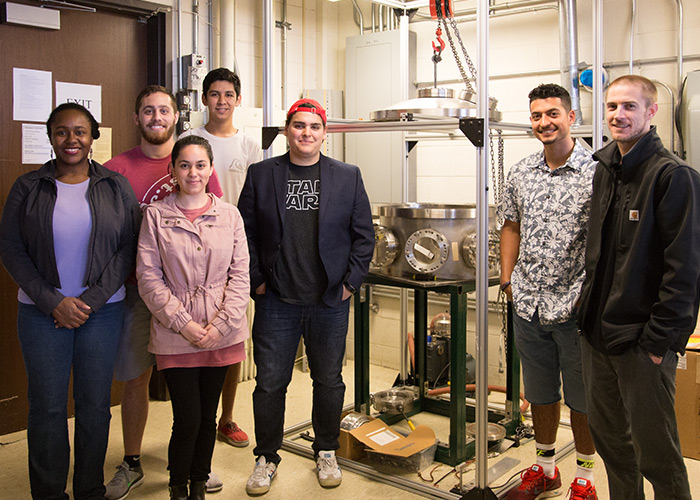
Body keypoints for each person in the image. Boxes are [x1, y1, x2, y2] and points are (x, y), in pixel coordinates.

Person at [0, 103, 140, 499]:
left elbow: (129, 247)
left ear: (93, 137)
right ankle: (48, 492)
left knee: (95, 406)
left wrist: (90, 301)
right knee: (46, 408)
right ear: (50, 137)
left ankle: (89, 489)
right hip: (41, 314)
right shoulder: (27, 187)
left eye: (80, 131)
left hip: (102, 312)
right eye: (62, 131)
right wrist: (53, 302)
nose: (71, 139)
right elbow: (10, 248)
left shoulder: (116, 186)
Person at [237, 98, 374, 495]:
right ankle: (266, 457)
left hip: (330, 299)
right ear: (287, 130)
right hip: (276, 298)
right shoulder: (262, 174)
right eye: (298, 126)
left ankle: (326, 449)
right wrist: (256, 280)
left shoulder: (347, 176)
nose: (306, 133)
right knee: (269, 383)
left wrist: (350, 283)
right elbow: (243, 231)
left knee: (328, 380)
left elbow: (364, 236)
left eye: (314, 127)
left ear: (324, 133)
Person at [577, 74, 700, 500]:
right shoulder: (605, 169)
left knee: (658, 456)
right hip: (596, 335)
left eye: (630, 106)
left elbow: (684, 272)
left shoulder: (674, 176)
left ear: (652, 112)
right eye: (612, 107)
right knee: (614, 447)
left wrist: (658, 342)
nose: (618, 115)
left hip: (641, 344)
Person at [103, 85, 225, 499]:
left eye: (164, 110)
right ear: (136, 117)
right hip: (138, 293)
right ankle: (133, 461)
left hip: (195, 300)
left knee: (197, 391)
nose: (156, 117)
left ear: (176, 117)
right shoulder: (115, 169)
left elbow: (217, 226)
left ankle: (194, 464)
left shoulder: (197, 161)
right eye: (147, 110)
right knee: (136, 376)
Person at [136, 135, 250, 500]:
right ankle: (177, 484)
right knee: (186, 418)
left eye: (201, 165)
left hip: (222, 333)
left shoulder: (230, 215)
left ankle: (198, 481)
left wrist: (219, 325)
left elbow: (241, 275)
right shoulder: (155, 216)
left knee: (207, 415)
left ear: (211, 169)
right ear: (172, 171)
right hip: (175, 334)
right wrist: (184, 323)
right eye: (184, 165)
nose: (193, 172)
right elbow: (148, 277)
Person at [499, 84, 598, 500]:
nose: (545, 122)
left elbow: (609, 240)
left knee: (583, 399)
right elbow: (510, 225)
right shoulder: (521, 172)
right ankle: (545, 469)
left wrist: (589, 296)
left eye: (553, 114)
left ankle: (586, 478)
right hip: (528, 303)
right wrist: (507, 280)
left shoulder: (599, 170)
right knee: (540, 392)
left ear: (571, 117)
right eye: (537, 116)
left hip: (576, 306)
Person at [181, 67, 263, 448]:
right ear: (204, 99)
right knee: (189, 332)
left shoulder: (249, 145)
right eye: (214, 94)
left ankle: (226, 418)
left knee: (229, 338)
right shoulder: (188, 140)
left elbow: (256, 200)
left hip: (234, 250)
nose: (222, 101)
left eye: (229, 94)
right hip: (190, 250)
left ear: (238, 99)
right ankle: (193, 421)